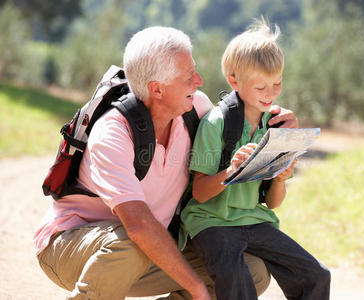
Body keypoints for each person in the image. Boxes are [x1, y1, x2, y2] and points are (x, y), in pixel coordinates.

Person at [33, 26, 299, 300]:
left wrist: (275, 122)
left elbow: (241, 128)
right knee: (133, 242)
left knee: (249, 270)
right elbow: (138, 225)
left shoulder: (196, 109)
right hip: (71, 248)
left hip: (148, 247)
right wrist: (196, 288)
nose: (199, 80)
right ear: (157, 89)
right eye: (188, 76)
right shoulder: (112, 133)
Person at [180, 19, 331, 300]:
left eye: (277, 84)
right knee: (236, 279)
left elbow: (273, 202)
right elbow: (199, 194)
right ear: (234, 81)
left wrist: (282, 179)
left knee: (316, 275)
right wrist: (232, 170)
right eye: (261, 87)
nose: (271, 94)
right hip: (211, 221)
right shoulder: (216, 123)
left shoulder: (275, 126)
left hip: (253, 219)